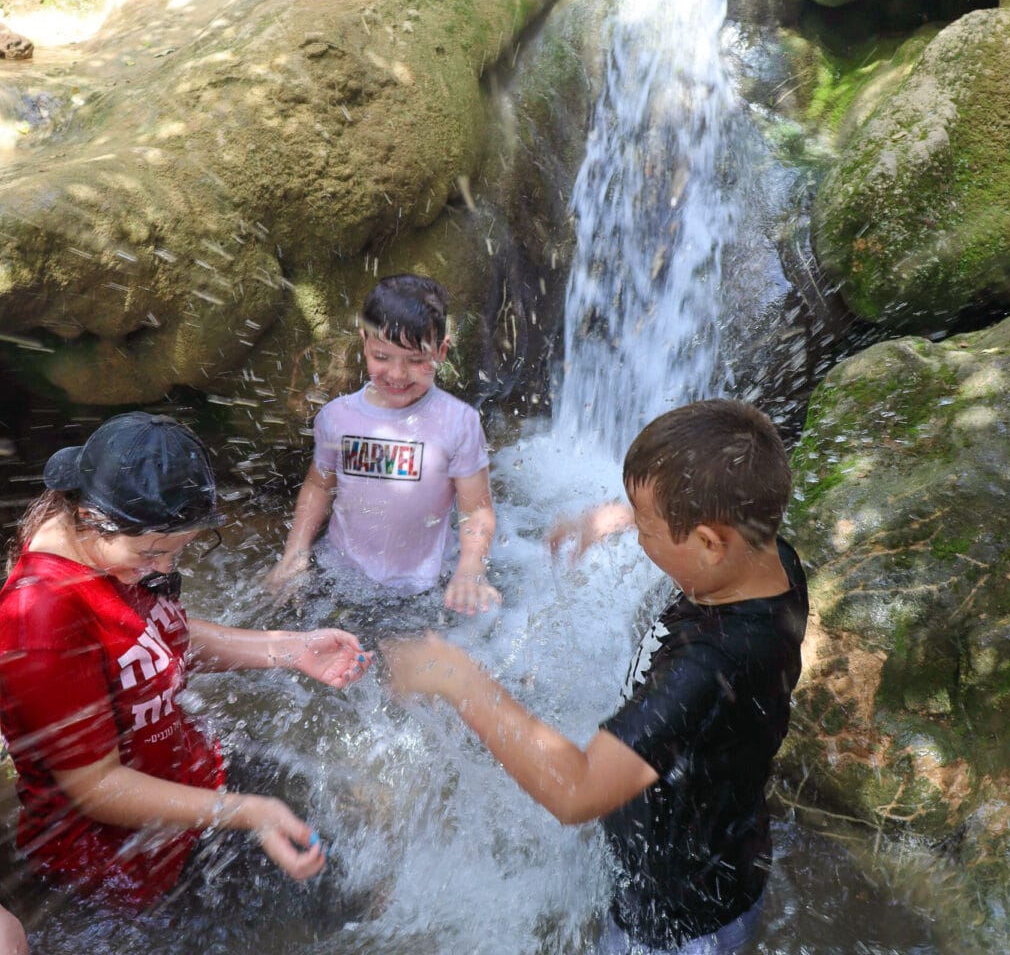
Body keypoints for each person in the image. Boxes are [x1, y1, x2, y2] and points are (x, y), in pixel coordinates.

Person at [384, 399, 809, 954]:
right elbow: (713, 518)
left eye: (650, 531)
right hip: (710, 851)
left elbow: (577, 791)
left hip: (676, 927)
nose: (641, 540)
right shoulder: (766, 558)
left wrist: (459, 678)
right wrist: (621, 514)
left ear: (708, 542)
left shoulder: (712, 666)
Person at [0, 412, 372, 910]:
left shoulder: (109, 557)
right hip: (125, 862)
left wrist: (288, 648)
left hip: (196, 778)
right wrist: (243, 812)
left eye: (177, 552)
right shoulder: (40, 621)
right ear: (91, 517)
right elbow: (95, 787)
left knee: (349, 846)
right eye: (153, 553)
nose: (165, 568)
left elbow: (155, 639)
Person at [266, 273, 500, 616]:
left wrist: (470, 569)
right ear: (364, 342)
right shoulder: (338, 417)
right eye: (382, 357)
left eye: (416, 361)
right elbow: (318, 484)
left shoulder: (457, 422)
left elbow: (476, 508)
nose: (397, 374)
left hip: (422, 584)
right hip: (341, 572)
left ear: (442, 351)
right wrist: (296, 552)